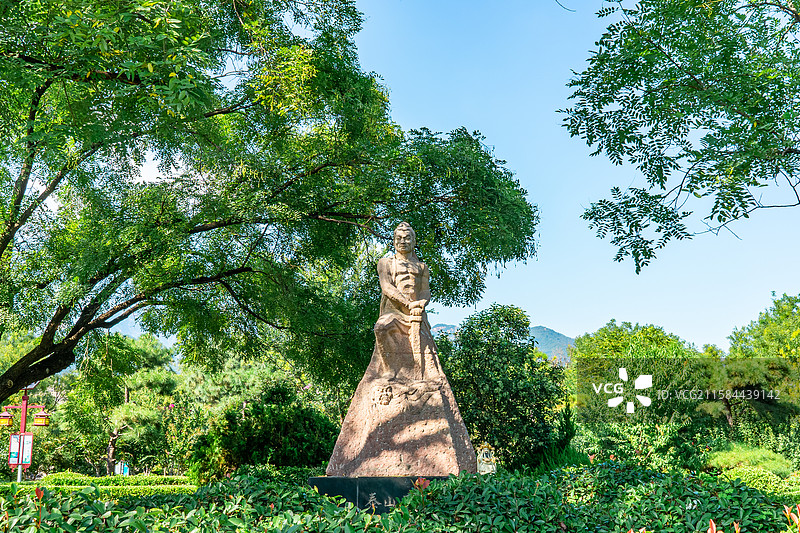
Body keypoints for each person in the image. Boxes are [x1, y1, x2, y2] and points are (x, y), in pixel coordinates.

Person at [372, 222, 441, 382]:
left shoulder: (422, 267)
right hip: (394, 311)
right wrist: (408, 303)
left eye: (407, 238)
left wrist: (422, 303)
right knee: (381, 328)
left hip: (416, 313)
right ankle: (389, 369)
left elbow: (425, 290)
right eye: (399, 238)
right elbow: (387, 287)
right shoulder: (385, 263)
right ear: (394, 241)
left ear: (414, 241)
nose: (403, 241)